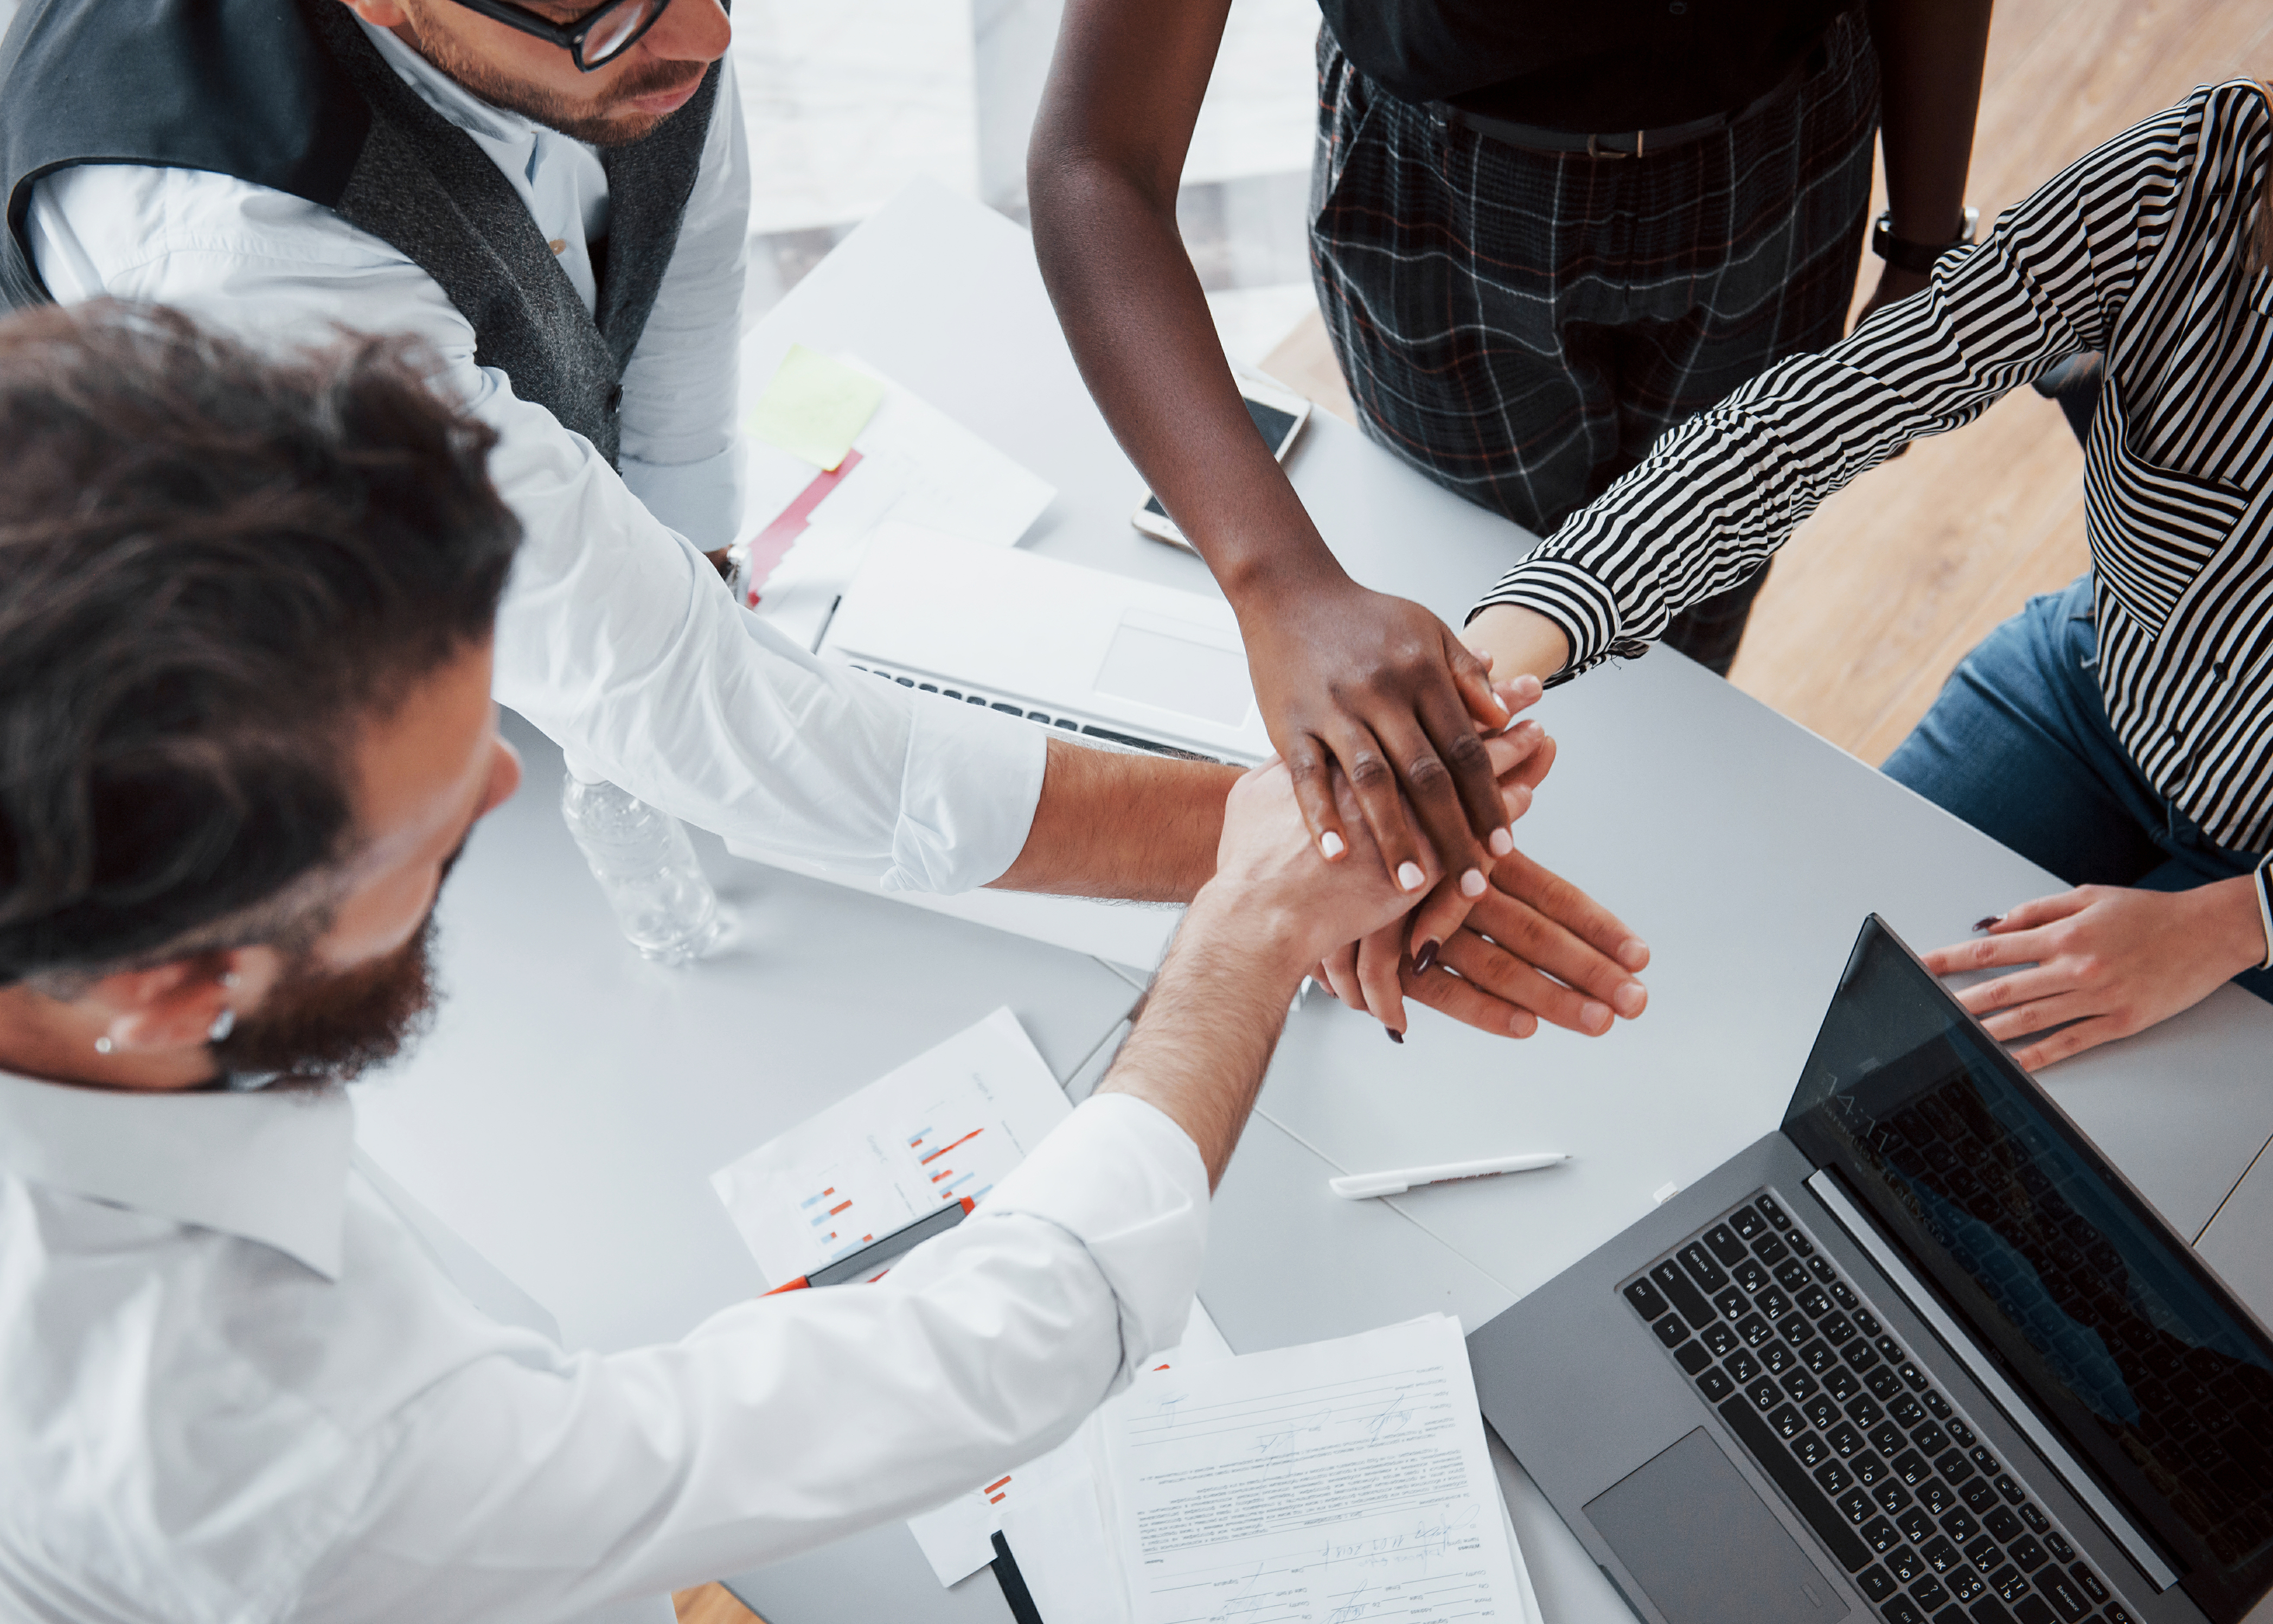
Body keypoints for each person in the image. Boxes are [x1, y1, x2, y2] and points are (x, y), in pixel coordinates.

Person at [0, 301, 1563, 1624]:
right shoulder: (250, 1439)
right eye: (422, 824)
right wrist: (1242, 929)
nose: (498, 792)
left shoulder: (90, 953)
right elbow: (989, 1350)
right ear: (158, 982)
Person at [0, 0, 1648, 1044]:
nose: (709, 36)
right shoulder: (233, 264)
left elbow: (682, 275)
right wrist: (1258, 852)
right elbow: (695, 723)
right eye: (612, 11)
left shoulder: (629, 26)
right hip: (208, 726)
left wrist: (692, 562)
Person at [1467, 0, 2273, 1092]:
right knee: (1802, 1026)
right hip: (2092, 701)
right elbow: (1824, 416)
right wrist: (1501, 657)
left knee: (2060, 1175)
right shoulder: (2205, 179)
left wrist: (2234, 923)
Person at [1027, 0, 1989, 909]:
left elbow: (1711, 517)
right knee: (1452, 619)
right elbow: (1095, 152)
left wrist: (1924, 234)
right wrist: (1279, 583)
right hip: (1447, 193)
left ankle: (1615, 835)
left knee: (1690, 627)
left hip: (1787, 147)